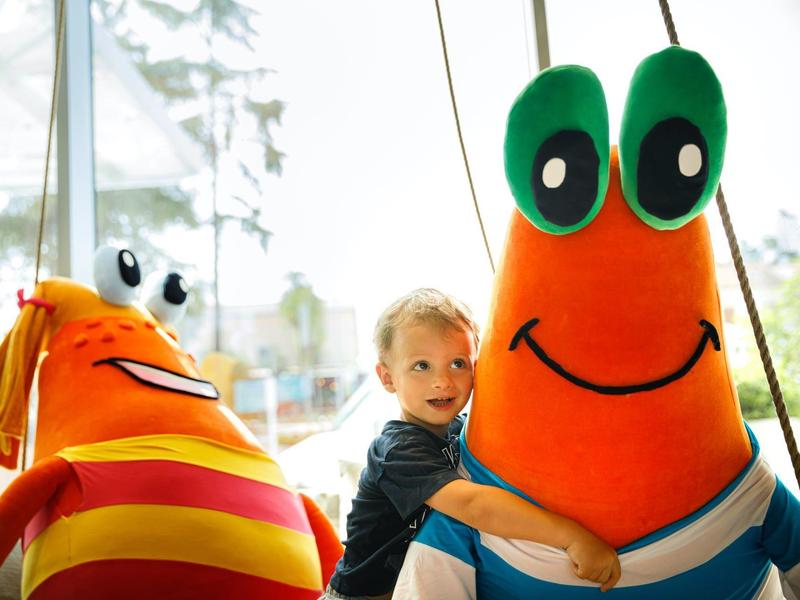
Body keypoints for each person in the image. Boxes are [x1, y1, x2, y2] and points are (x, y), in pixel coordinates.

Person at [324, 289, 621, 599]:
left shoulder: (465, 430)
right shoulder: (397, 450)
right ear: (387, 378)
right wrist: (571, 536)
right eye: (422, 366)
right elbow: (474, 506)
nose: (442, 381)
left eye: (457, 363)